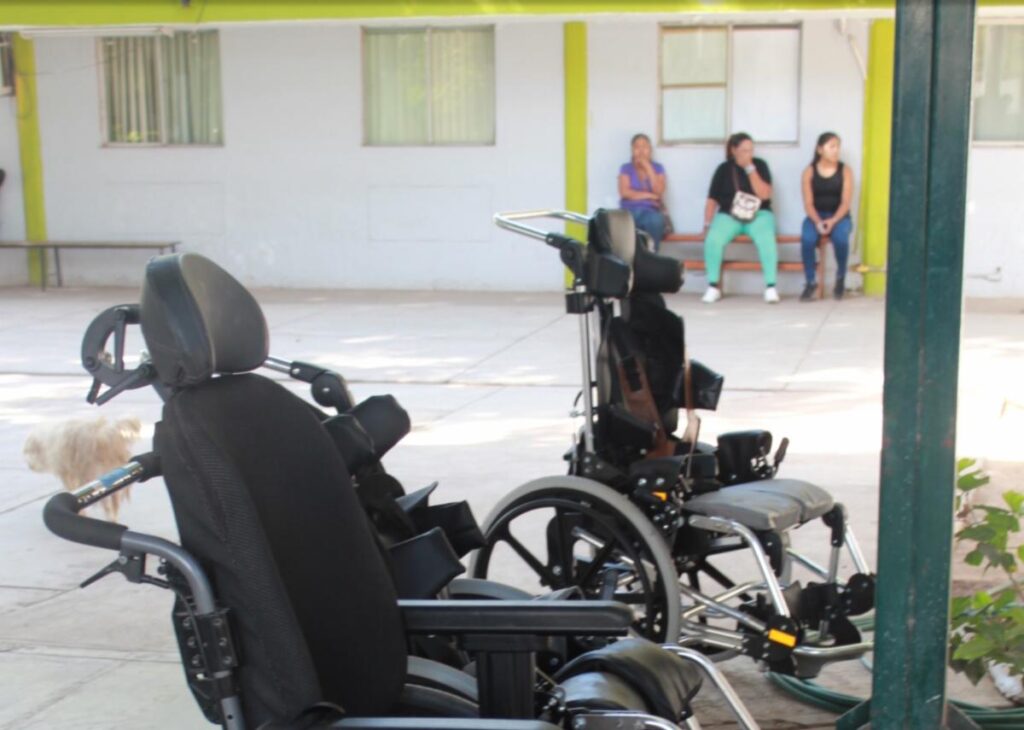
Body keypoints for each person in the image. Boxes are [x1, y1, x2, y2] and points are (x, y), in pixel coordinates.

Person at [701, 133, 779, 304]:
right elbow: (712, 199)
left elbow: (765, 194)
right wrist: (707, 223)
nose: (748, 154)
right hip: (730, 215)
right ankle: (713, 286)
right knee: (713, 239)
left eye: (750, 150)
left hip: (759, 214)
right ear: (733, 150)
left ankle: (771, 286)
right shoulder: (723, 169)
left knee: (766, 238)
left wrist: (750, 169)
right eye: (743, 150)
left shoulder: (760, 165)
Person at [800, 132, 854, 301]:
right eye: (832, 147)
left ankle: (840, 278)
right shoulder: (809, 172)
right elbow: (808, 204)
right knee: (807, 239)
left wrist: (833, 220)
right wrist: (818, 221)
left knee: (841, 239)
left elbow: (845, 203)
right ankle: (810, 281)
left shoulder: (845, 171)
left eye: (838, 146)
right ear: (820, 149)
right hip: (816, 215)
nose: (836, 150)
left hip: (839, 216)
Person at [618, 133, 667, 251]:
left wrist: (648, 168)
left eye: (644, 146)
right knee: (620, 226)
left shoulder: (658, 168)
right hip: (628, 211)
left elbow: (659, 192)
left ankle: (652, 257)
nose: (641, 150)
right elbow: (624, 192)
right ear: (632, 150)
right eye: (637, 147)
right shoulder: (626, 168)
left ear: (650, 150)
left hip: (650, 212)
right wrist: (650, 195)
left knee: (655, 221)